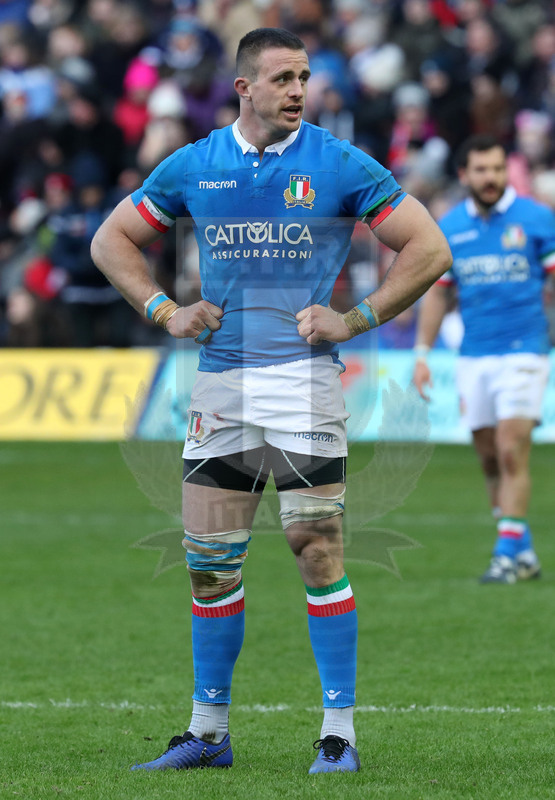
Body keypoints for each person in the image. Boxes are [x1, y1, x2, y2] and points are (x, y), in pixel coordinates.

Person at [91, 27, 451, 775]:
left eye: (304, 77)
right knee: (209, 565)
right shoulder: (196, 165)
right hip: (221, 384)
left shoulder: (336, 161)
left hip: (304, 383)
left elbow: (427, 248)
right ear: (243, 88)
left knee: (315, 549)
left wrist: (355, 319)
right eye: (283, 78)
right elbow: (111, 241)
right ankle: (208, 733)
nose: (298, 90)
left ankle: (338, 736)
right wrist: (165, 311)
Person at [413, 134, 555, 584]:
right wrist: (422, 353)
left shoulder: (537, 220)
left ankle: (505, 555)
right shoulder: (450, 229)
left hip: (525, 350)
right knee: (490, 458)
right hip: (473, 355)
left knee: (512, 450)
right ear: (464, 175)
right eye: (481, 170)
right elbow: (438, 297)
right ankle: (522, 548)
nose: (490, 177)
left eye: (497, 168)